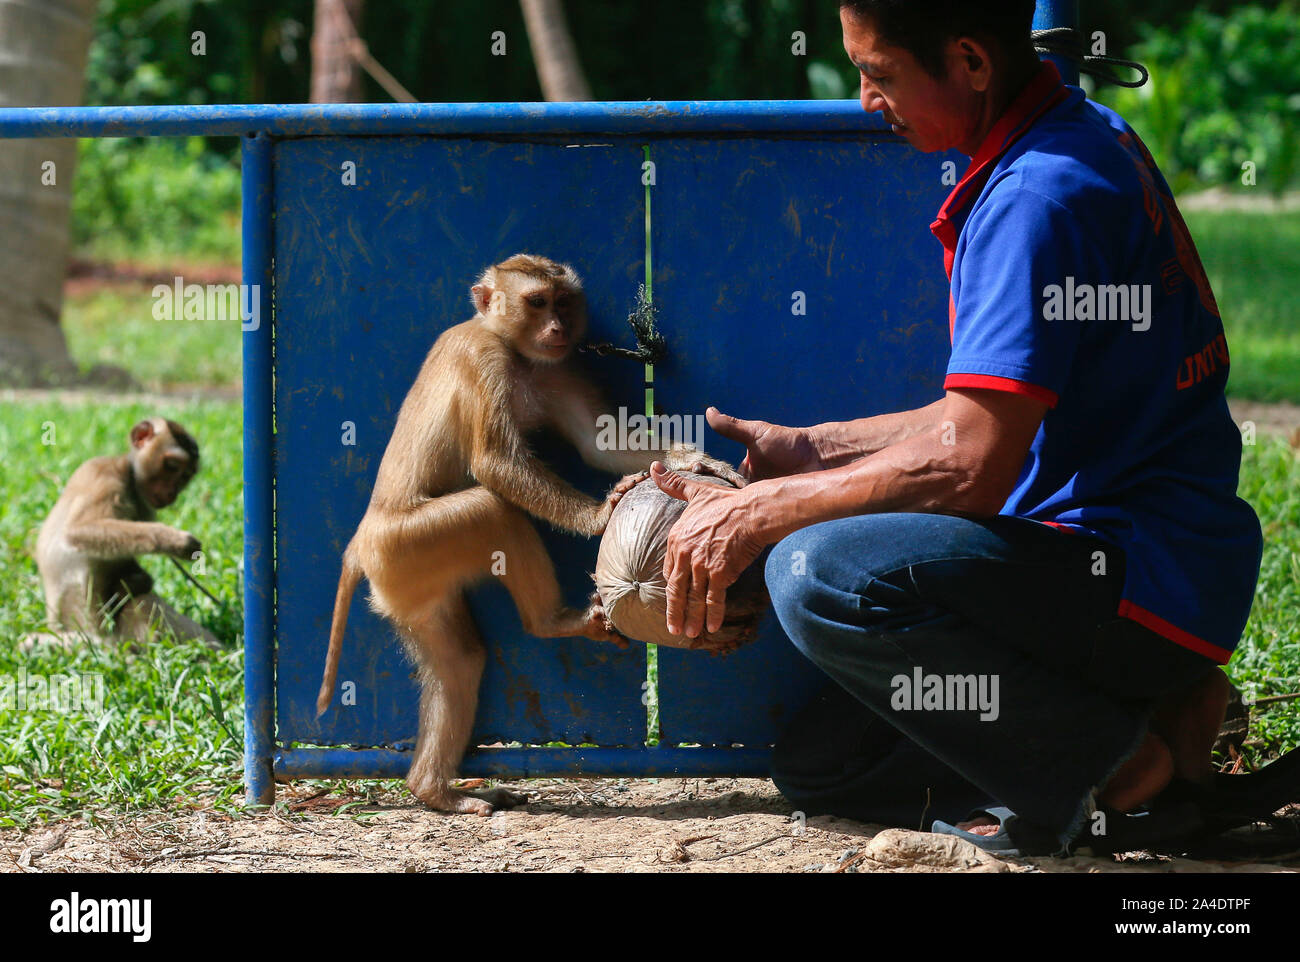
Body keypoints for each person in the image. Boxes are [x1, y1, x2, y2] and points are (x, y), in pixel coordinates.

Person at [647, 0, 1263, 856]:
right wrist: (813, 450)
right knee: (824, 766)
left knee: (817, 575)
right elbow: (985, 414)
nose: (866, 98)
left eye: (880, 73)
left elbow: (972, 467)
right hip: (1137, 573)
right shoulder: (1073, 137)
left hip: (1132, 575)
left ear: (970, 61)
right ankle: (1160, 712)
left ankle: (1126, 774)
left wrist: (761, 514)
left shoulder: (1036, 198)